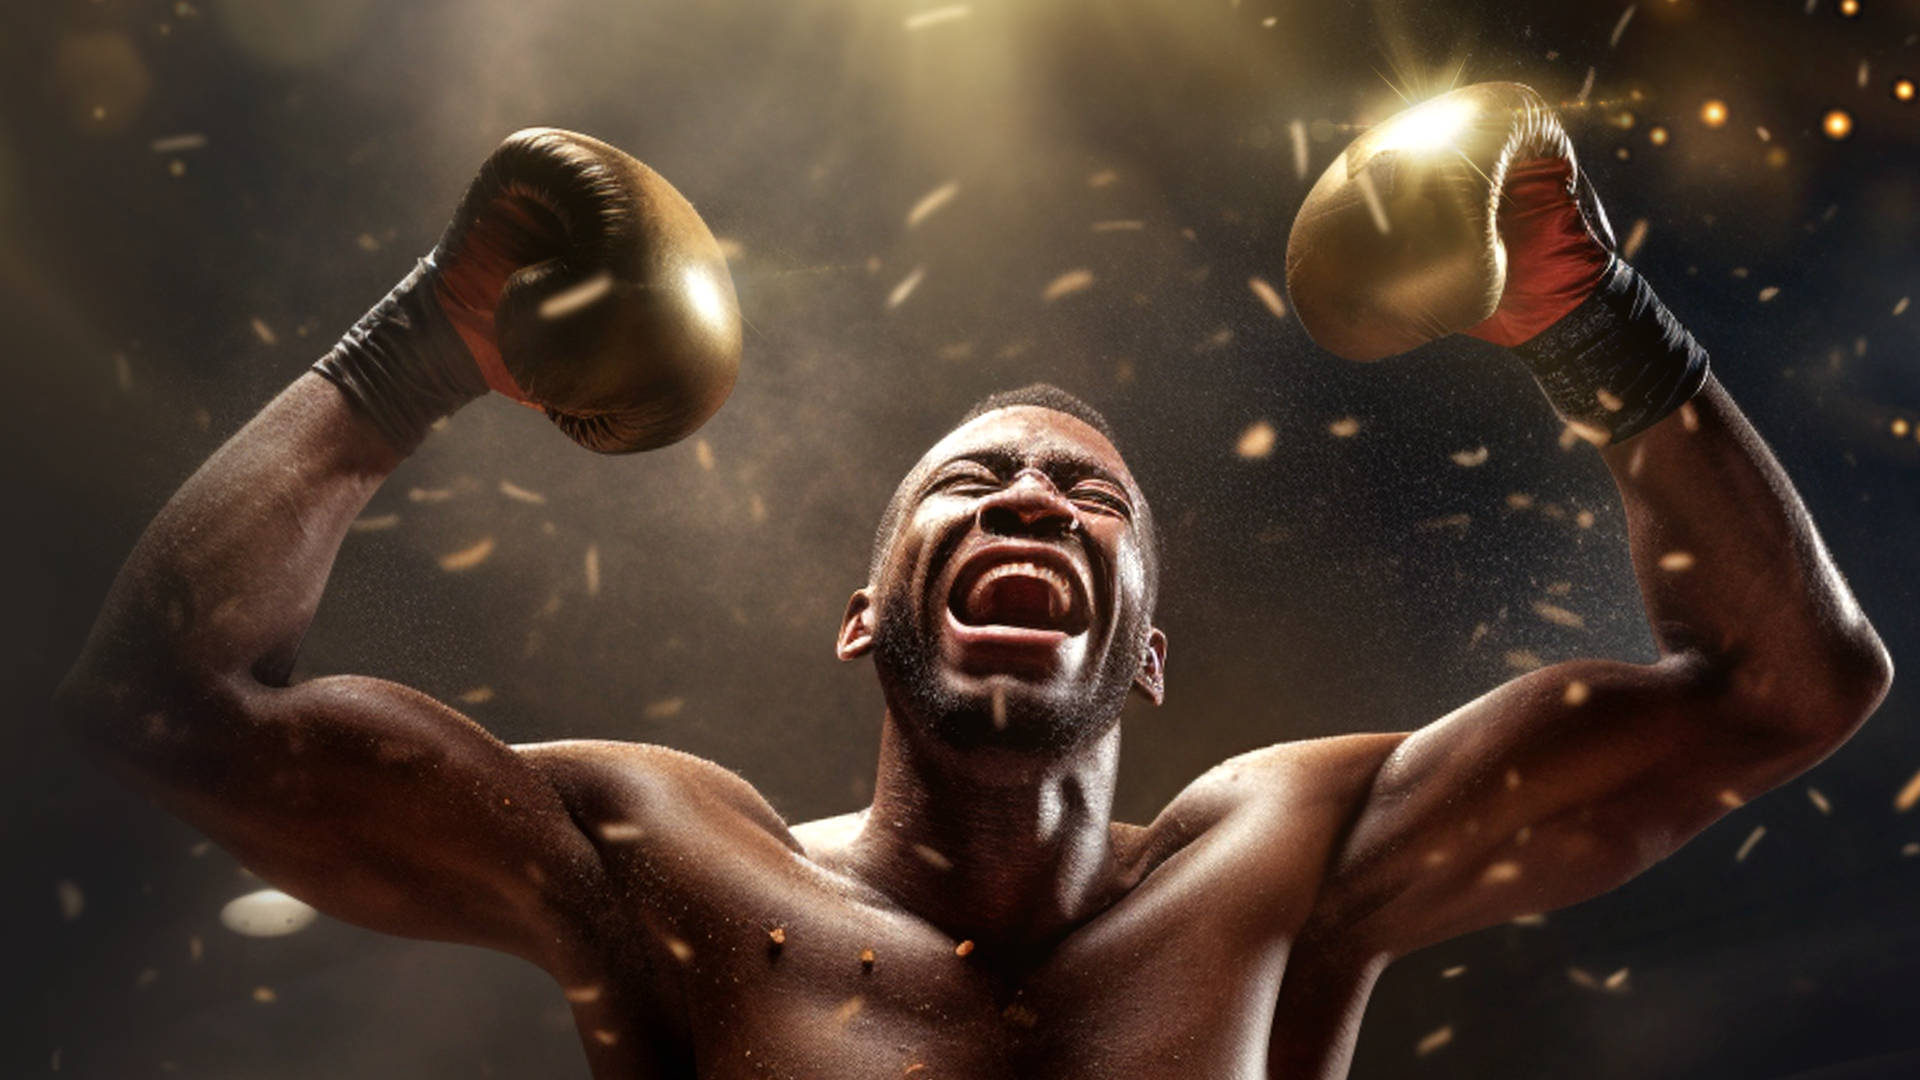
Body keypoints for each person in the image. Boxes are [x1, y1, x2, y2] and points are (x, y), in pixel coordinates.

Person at [59, 94, 1890, 1079]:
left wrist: (1592, 320)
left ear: (1146, 648)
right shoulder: (667, 863)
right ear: (865, 616)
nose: (1030, 497)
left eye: (1089, 497)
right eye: (970, 483)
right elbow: (167, 709)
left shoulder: (1290, 859)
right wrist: (422, 347)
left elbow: (1790, 689)